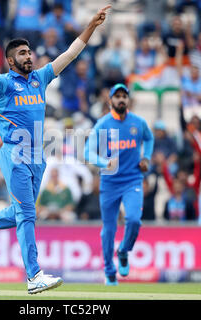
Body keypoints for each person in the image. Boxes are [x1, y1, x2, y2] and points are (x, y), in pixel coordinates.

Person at [0, 5, 112, 294]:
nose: (28, 56)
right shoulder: (3, 84)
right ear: (11, 61)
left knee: (21, 211)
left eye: (29, 52)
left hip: (37, 157)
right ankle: (33, 276)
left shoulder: (40, 79)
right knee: (28, 214)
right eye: (22, 54)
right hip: (14, 155)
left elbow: (71, 54)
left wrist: (92, 25)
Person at [84, 83, 154, 286]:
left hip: (132, 179)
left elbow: (149, 139)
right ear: (110, 101)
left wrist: (147, 157)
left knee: (133, 220)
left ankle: (123, 250)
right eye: (117, 96)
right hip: (109, 182)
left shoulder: (138, 123)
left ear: (128, 100)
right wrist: (104, 163)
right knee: (108, 229)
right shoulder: (103, 124)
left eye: (124, 96)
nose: (121, 99)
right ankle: (109, 271)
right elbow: (88, 152)